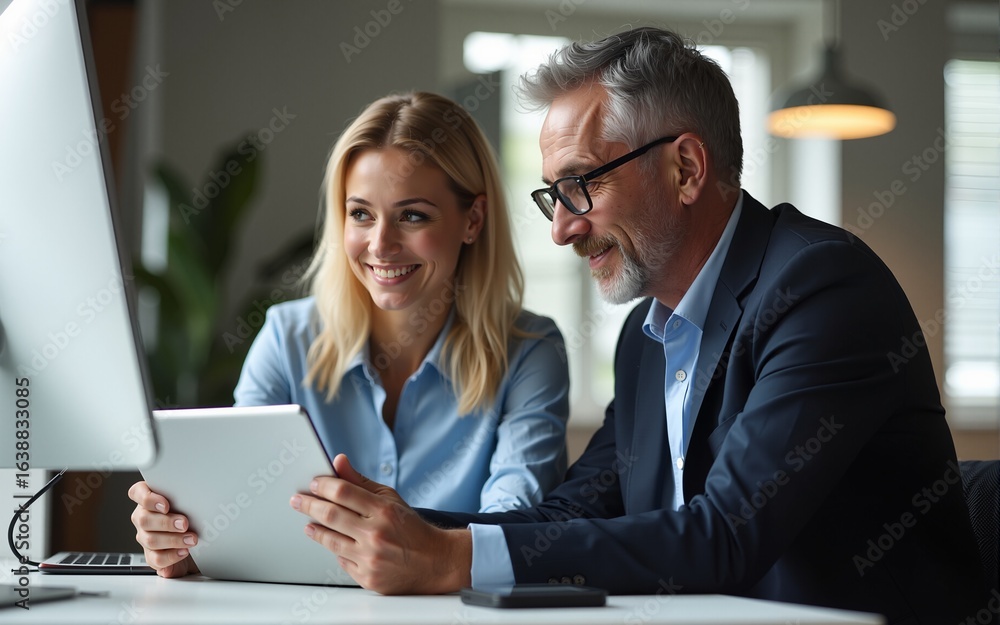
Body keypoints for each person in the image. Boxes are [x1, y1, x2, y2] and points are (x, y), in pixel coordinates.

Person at [285, 27, 987, 623]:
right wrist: (392, 526)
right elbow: (570, 514)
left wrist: (452, 557)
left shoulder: (822, 289)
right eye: (552, 196)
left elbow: (724, 536)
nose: (561, 228)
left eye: (580, 185)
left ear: (685, 168)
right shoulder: (647, 336)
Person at [128, 91, 571, 578]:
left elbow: (509, 532)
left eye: (413, 215)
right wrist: (187, 539)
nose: (380, 244)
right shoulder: (286, 338)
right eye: (361, 214)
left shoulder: (530, 351)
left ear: (473, 219)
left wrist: (411, 550)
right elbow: (240, 512)